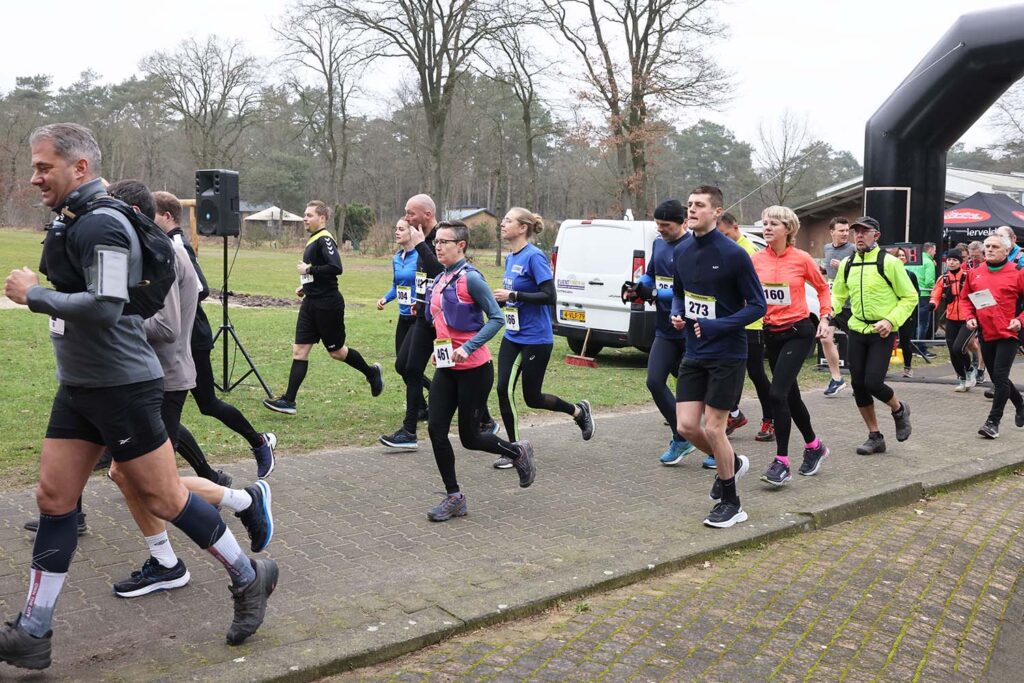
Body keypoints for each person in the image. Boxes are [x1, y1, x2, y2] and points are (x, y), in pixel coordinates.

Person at [1, 124, 276, 671]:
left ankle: (249, 576)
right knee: (54, 499)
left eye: (43, 167)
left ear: (79, 167)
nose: (33, 178)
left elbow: (106, 308)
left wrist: (35, 295)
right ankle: (34, 630)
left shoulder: (103, 223)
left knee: (164, 498)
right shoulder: (73, 219)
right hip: (80, 386)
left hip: (124, 386)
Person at [104, 180, 274, 598]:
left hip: (162, 380)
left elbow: (165, 326)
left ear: (134, 216)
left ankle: (239, 506)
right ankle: (170, 556)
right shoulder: (150, 251)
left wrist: (106, 319)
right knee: (127, 474)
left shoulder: (165, 254)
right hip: (142, 379)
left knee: (144, 480)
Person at [153, 191, 276, 477]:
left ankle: (259, 442)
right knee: (164, 412)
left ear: (167, 216)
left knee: (205, 404)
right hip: (176, 339)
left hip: (191, 339)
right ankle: (203, 474)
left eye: (153, 214)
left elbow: (201, 287)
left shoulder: (177, 244)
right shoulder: (163, 243)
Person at [423, 221, 536, 522]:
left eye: (444, 241)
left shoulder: (471, 279)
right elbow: (439, 322)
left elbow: (496, 319)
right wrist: (440, 349)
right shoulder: (440, 278)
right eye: (436, 241)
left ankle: (517, 452)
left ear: (461, 245)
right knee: (435, 429)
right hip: (447, 367)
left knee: (470, 438)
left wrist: (469, 347)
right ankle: (454, 496)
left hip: (475, 368)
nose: (438, 246)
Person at [671, 185, 766, 529]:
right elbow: (680, 295)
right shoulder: (681, 251)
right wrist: (678, 313)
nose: (692, 210)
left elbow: (758, 305)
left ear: (716, 212)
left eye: (699, 205)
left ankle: (732, 502)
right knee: (685, 426)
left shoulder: (734, 254)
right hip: (694, 351)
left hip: (727, 351)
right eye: (689, 204)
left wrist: (717, 326)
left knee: (714, 428)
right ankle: (731, 463)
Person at [382, 194, 498, 447]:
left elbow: (444, 273)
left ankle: (410, 431)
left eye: (411, 213)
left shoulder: (439, 238)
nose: (406, 218)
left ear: (426, 214)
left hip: (444, 323)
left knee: (412, 369)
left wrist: (423, 244)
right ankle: (483, 417)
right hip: (426, 314)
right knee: (404, 366)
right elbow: (429, 279)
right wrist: (420, 299)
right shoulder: (421, 239)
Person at [492, 207, 594, 469]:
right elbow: (514, 296)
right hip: (513, 335)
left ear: (523, 227)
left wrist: (513, 296)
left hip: (536, 339)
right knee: (503, 388)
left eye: (508, 220)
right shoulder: (510, 257)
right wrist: (501, 302)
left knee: (532, 397)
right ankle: (516, 451)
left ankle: (578, 412)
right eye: (502, 220)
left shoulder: (534, 257)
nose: (502, 224)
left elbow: (550, 296)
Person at [264, 200, 383, 414]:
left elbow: (336, 267)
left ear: (323, 218)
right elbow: (319, 271)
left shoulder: (325, 239)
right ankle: (289, 400)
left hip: (328, 304)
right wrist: (305, 286)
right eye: (304, 215)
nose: (305, 219)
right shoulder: (313, 240)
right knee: (299, 350)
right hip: (311, 302)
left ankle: (371, 372)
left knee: (337, 352)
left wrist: (308, 269)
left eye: (309, 215)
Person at [818, 216, 917, 456]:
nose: (859, 235)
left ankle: (898, 409)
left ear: (876, 235)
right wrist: (827, 315)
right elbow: (838, 295)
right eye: (856, 232)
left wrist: (890, 320)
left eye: (865, 231)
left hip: (881, 331)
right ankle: (875, 437)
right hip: (857, 328)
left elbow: (910, 297)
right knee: (858, 385)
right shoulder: (849, 263)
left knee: (873, 382)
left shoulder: (890, 262)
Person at [751, 206, 832, 486]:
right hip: (771, 334)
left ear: (788, 229)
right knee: (791, 397)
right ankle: (814, 446)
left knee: (776, 394)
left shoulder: (802, 259)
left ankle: (781, 462)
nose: (768, 227)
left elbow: (823, 288)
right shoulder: (756, 260)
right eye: (765, 223)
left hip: (799, 332)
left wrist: (824, 317)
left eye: (774, 223)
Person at [623, 199, 698, 464]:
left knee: (700, 390)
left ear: (683, 223)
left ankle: (715, 441)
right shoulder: (659, 243)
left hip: (692, 330)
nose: (660, 229)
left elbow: (688, 292)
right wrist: (637, 286)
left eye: (665, 225)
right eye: (657, 224)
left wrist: (654, 293)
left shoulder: (693, 247)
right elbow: (651, 274)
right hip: (665, 330)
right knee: (654, 381)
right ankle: (682, 438)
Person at [718, 212, 774, 445]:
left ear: (735, 228)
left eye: (726, 234)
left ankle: (770, 419)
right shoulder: (724, 249)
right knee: (729, 372)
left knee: (756, 374)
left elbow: (756, 292)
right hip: (731, 322)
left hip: (751, 324)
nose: (723, 238)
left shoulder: (748, 251)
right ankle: (734, 414)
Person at [961, 233, 1024, 438]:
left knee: (999, 377)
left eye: (995, 247)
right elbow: (965, 299)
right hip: (986, 333)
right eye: (987, 246)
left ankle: (992, 423)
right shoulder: (975, 273)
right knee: (999, 377)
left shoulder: (1018, 272)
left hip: (1009, 333)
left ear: (1007, 250)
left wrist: (1020, 320)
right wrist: (969, 317)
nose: (989, 249)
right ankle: (1021, 404)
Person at [377, 218, 430, 449]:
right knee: (402, 367)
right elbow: (397, 286)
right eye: (395, 228)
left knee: (411, 369)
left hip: (418, 318)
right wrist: (386, 299)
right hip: (403, 318)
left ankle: (416, 417)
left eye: (401, 229)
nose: (396, 232)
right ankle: (425, 403)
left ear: (412, 232)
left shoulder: (422, 256)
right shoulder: (397, 258)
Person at [929, 248, 976, 392]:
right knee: (952, 351)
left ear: (960, 262)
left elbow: (977, 292)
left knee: (958, 347)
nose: (951, 262)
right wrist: (933, 304)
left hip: (967, 318)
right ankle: (962, 378)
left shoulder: (968, 276)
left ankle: (970, 370)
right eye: (949, 259)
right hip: (951, 318)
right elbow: (936, 293)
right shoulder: (943, 278)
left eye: (955, 260)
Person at [821, 217, 855, 397]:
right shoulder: (827, 249)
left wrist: (843, 265)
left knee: (856, 344)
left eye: (847, 230)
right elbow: (829, 271)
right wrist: (822, 270)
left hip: (851, 304)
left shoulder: (854, 249)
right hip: (833, 301)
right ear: (832, 232)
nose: (845, 234)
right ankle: (837, 379)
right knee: (825, 338)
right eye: (841, 230)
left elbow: (860, 270)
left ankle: (859, 381)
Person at [893, 247, 919, 377]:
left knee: (905, 341)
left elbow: (915, 295)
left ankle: (908, 367)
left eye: (903, 256)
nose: (901, 258)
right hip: (890, 312)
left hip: (906, 313)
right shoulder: (888, 273)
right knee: (886, 341)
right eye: (898, 256)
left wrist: (912, 315)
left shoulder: (910, 275)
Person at [908, 241, 937, 345]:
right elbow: (930, 282)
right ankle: (920, 347)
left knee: (913, 322)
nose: (935, 253)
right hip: (924, 295)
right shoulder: (929, 263)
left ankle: (912, 345)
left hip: (912, 295)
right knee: (923, 323)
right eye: (934, 250)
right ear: (930, 250)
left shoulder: (913, 260)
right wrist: (937, 289)